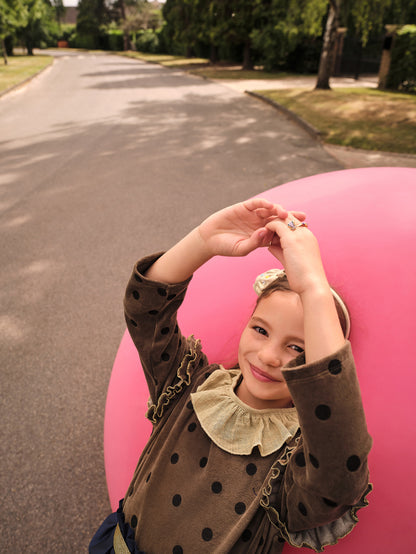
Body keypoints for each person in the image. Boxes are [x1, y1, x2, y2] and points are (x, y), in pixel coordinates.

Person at [90, 198, 372, 554]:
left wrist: (314, 287)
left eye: (298, 349)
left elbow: (339, 473)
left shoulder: (297, 458)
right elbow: (145, 311)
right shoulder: (187, 385)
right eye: (261, 330)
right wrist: (204, 240)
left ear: (321, 365)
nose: (269, 356)